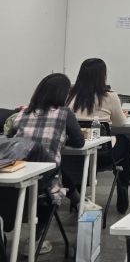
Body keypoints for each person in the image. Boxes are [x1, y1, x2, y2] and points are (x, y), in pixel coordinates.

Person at [7, 73, 85, 255]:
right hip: (43, 177)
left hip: (17, 171)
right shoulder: (64, 113)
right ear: (63, 94)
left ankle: (79, 201)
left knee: (58, 173)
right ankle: (35, 241)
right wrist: (61, 137)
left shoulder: (23, 112)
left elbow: (10, 138)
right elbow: (79, 142)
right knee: (53, 179)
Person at [66, 58, 130, 213]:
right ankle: (123, 188)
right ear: (103, 75)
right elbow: (119, 123)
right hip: (102, 155)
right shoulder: (110, 96)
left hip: (73, 154)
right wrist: (124, 115)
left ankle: (77, 193)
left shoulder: (69, 95)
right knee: (125, 141)